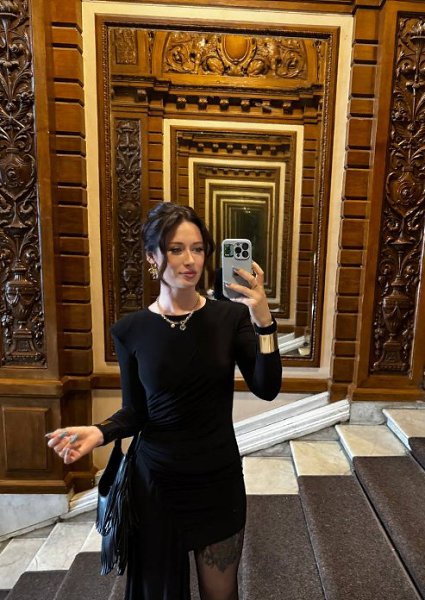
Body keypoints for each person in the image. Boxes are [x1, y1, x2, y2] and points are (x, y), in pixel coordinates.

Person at [46, 202, 282, 600]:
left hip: (217, 481)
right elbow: (136, 411)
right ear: (152, 256)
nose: (190, 260)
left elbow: (267, 386)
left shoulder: (230, 318)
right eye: (176, 249)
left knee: (221, 595)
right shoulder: (130, 330)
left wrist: (263, 320)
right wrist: (100, 432)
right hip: (156, 484)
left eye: (198, 249)